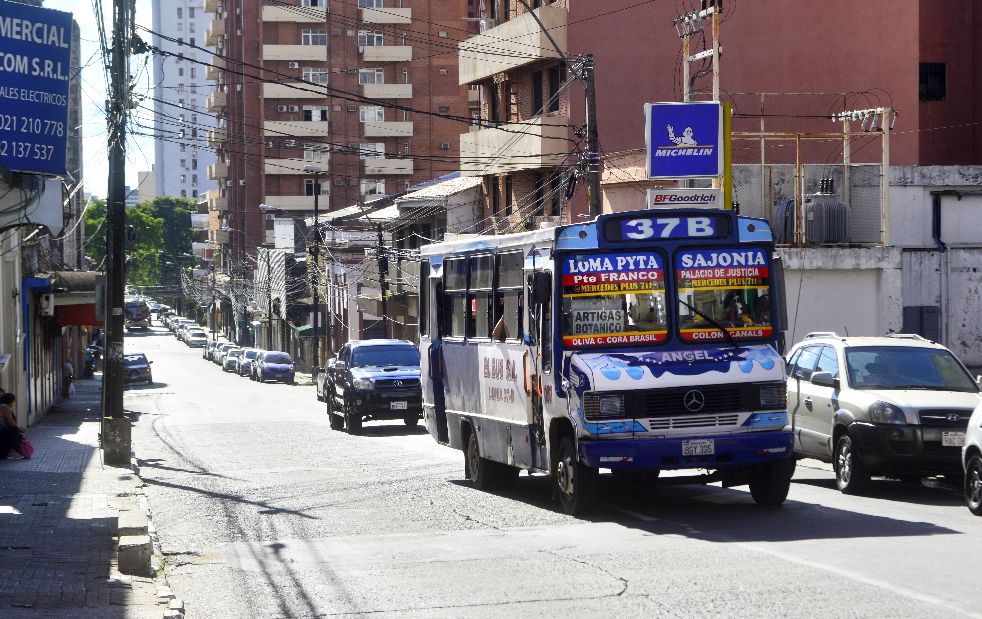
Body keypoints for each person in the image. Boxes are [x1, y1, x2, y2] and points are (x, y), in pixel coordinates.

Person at [0, 393, 25, 459]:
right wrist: (19, 428)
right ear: (10, 401)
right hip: (2, 431)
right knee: (14, 431)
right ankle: (12, 450)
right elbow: (11, 423)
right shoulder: (5, 407)